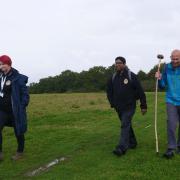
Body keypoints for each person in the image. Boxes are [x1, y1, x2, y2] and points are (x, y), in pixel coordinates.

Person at [107, 56, 147, 156]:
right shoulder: (113, 77)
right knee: (127, 125)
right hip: (119, 107)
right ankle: (133, 143)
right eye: (116, 63)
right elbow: (109, 91)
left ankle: (121, 148)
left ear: (124, 64)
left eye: (120, 63)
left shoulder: (131, 76)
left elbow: (140, 91)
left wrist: (143, 106)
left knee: (124, 124)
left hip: (130, 106)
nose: (117, 64)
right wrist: (113, 104)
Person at [0, 55, 29, 161]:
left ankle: (20, 152)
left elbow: (25, 94)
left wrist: (21, 106)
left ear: (8, 64)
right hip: (2, 110)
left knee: (18, 131)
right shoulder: (1, 76)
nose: (1, 66)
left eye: (3, 64)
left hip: (15, 111)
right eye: (0, 64)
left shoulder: (17, 78)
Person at [155, 49, 180, 159]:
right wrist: (159, 79)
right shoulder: (166, 68)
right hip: (171, 100)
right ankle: (171, 147)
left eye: (177, 59)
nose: (174, 61)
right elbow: (162, 85)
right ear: (170, 58)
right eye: (173, 58)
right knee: (171, 123)